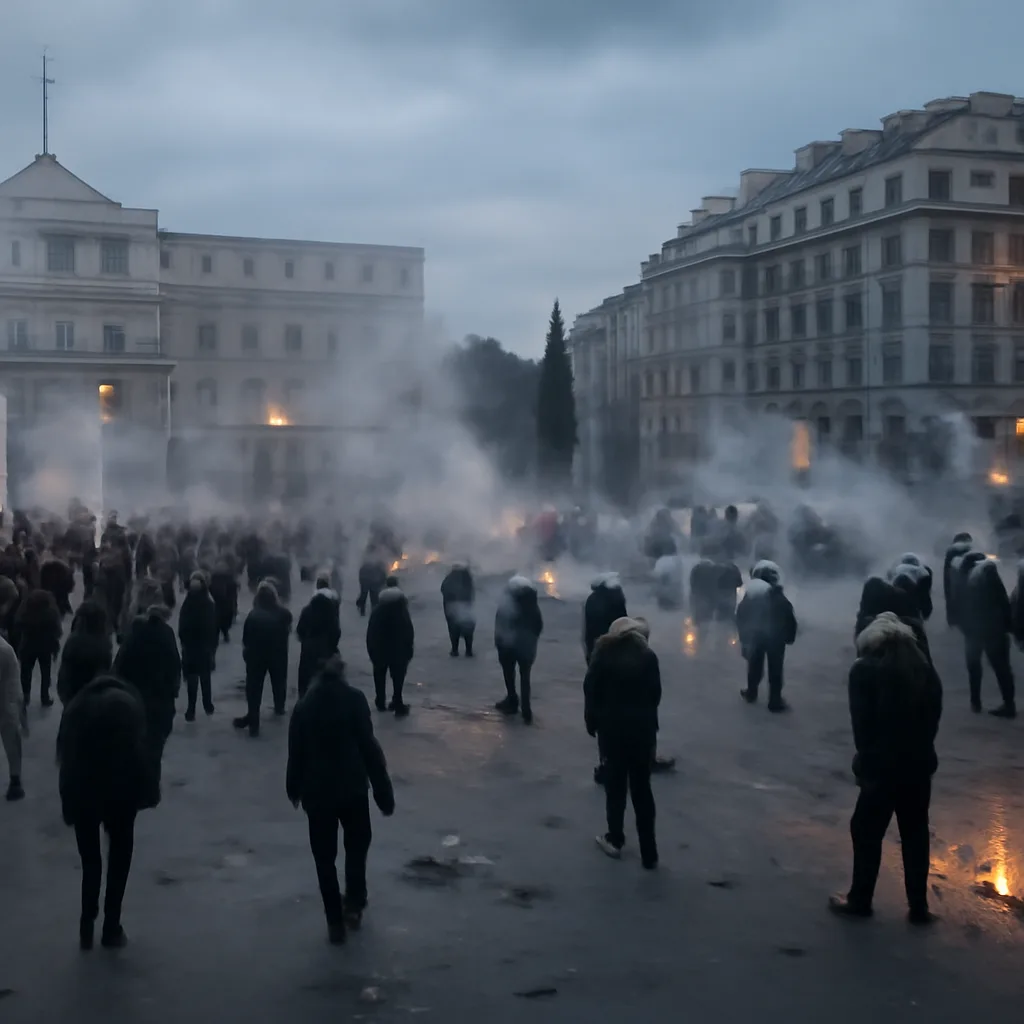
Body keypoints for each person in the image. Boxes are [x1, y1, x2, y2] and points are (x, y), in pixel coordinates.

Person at [830, 612, 941, 925]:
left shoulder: (864, 670)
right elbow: (933, 721)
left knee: (865, 830)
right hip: (918, 766)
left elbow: (862, 729)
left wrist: (864, 763)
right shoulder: (925, 670)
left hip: (881, 767)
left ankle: (860, 900)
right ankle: (918, 907)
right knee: (915, 832)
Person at [286, 655, 395, 944]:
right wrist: (383, 790)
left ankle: (334, 921)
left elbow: (296, 752)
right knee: (357, 847)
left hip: (317, 794)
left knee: (324, 859)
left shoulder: (304, 706)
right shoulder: (354, 699)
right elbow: (368, 746)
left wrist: (293, 788)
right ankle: (355, 905)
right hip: (353, 789)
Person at [57, 674, 158, 949]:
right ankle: (111, 925)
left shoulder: (76, 711)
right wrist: (146, 793)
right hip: (121, 795)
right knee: (119, 857)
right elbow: (141, 759)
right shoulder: (129, 709)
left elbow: (64, 762)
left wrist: (68, 802)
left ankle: (86, 922)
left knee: (90, 861)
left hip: (83, 793)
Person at [584, 617, 661, 869]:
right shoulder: (648, 658)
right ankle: (649, 852)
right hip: (643, 733)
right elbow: (655, 695)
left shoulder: (602, 656)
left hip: (612, 733)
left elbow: (591, 692)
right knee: (642, 790)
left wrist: (592, 723)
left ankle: (615, 840)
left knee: (615, 788)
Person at [114, 602, 182, 792]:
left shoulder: (133, 637)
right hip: (159, 699)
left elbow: (119, 666)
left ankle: (132, 780)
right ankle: (151, 784)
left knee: (133, 741)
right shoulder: (166, 635)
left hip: (133, 697)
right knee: (155, 744)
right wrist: (173, 691)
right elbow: (174, 665)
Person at [736, 560, 798, 711]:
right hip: (776, 638)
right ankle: (775, 701)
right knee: (775, 670)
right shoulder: (777, 595)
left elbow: (741, 616)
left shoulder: (751, 594)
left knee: (754, 666)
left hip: (756, 636)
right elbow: (789, 617)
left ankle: (751, 693)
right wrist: (790, 636)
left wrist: (744, 638)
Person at [235, 580, 293, 737]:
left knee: (254, 687)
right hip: (278, 654)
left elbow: (246, 638)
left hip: (256, 657)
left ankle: (253, 720)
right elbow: (288, 630)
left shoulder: (253, 615)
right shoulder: (284, 613)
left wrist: (247, 652)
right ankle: (279, 706)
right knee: (279, 680)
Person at [494, 576, 544, 724]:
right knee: (525, 677)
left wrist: (500, 643)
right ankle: (526, 709)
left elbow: (500, 625)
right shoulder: (532, 605)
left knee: (509, 674)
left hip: (508, 647)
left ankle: (512, 700)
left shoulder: (507, 604)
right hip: (527, 648)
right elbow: (538, 626)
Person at [366, 576, 414, 717]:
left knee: (379, 676)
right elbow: (408, 632)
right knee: (398, 677)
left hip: (379, 651)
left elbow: (371, 633)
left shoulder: (377, 611)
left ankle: (380, 701)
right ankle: (397, 701)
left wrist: (371, 650)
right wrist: (409, 650)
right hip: (398, 652)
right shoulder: (402, 612)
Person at [178, 571, 220, 721]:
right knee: (205, 675)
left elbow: (181, 627)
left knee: (192, 678)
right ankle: (207, 704)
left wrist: (184, 642)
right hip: (204, 646)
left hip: (190, 647)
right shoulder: (209, 604)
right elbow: (213, 627)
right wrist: (213, 646)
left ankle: (191, 708)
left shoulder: (187, 604)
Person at [57, 600, 114, 707]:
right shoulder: (104, 643)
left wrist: (63, 692)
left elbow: (65, 670)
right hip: (94, 696)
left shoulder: (74, 641)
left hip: (72, 694)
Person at [15, 587, 63, 708]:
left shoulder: (25, 612)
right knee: (45, 673)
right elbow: (57, 630)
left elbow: (17, 623)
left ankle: (26, 696)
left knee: (26, 672)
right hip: (45, 646)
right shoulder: (51, 613)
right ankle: (44, 696)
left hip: (28, 645)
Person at [296, 577, 342, 699]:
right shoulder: (331, 611)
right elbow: (336, 631)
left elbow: (300, 629)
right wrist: (332, 646)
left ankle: (304, 698)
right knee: (326, 674)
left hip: (308, 647)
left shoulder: (307, 610)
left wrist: (304, 640)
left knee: (306, 675)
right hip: (326, 647)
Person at [0, 631, 26, 801]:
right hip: (9, 698)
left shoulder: (2, 650)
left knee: (11, 739)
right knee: (12, 739)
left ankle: (15, 781)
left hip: (6, 699)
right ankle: (15, 781)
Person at [583, 573, 628, 664]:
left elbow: (589, 630)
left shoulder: (592, 599)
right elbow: (623, 623)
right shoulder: (616, 599)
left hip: (596, 645)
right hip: (613, 646)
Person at [440, 562, 476, 657]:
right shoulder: (467, 578)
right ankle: (469, 650)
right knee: (468, 629)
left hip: (452, 609)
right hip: (466, 608)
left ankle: (455, 650)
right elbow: (472, 592)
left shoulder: (449, 579)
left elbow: (443, 589)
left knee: (453, 629)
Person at [209, 558, 240, 644]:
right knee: (225, 621)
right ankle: (225, 633)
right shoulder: (229, 577)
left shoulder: (213, 577)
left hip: (217, 604)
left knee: (217, 621)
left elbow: (209, 590)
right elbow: (234, 592)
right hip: (226, 604)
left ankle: (218, 634)